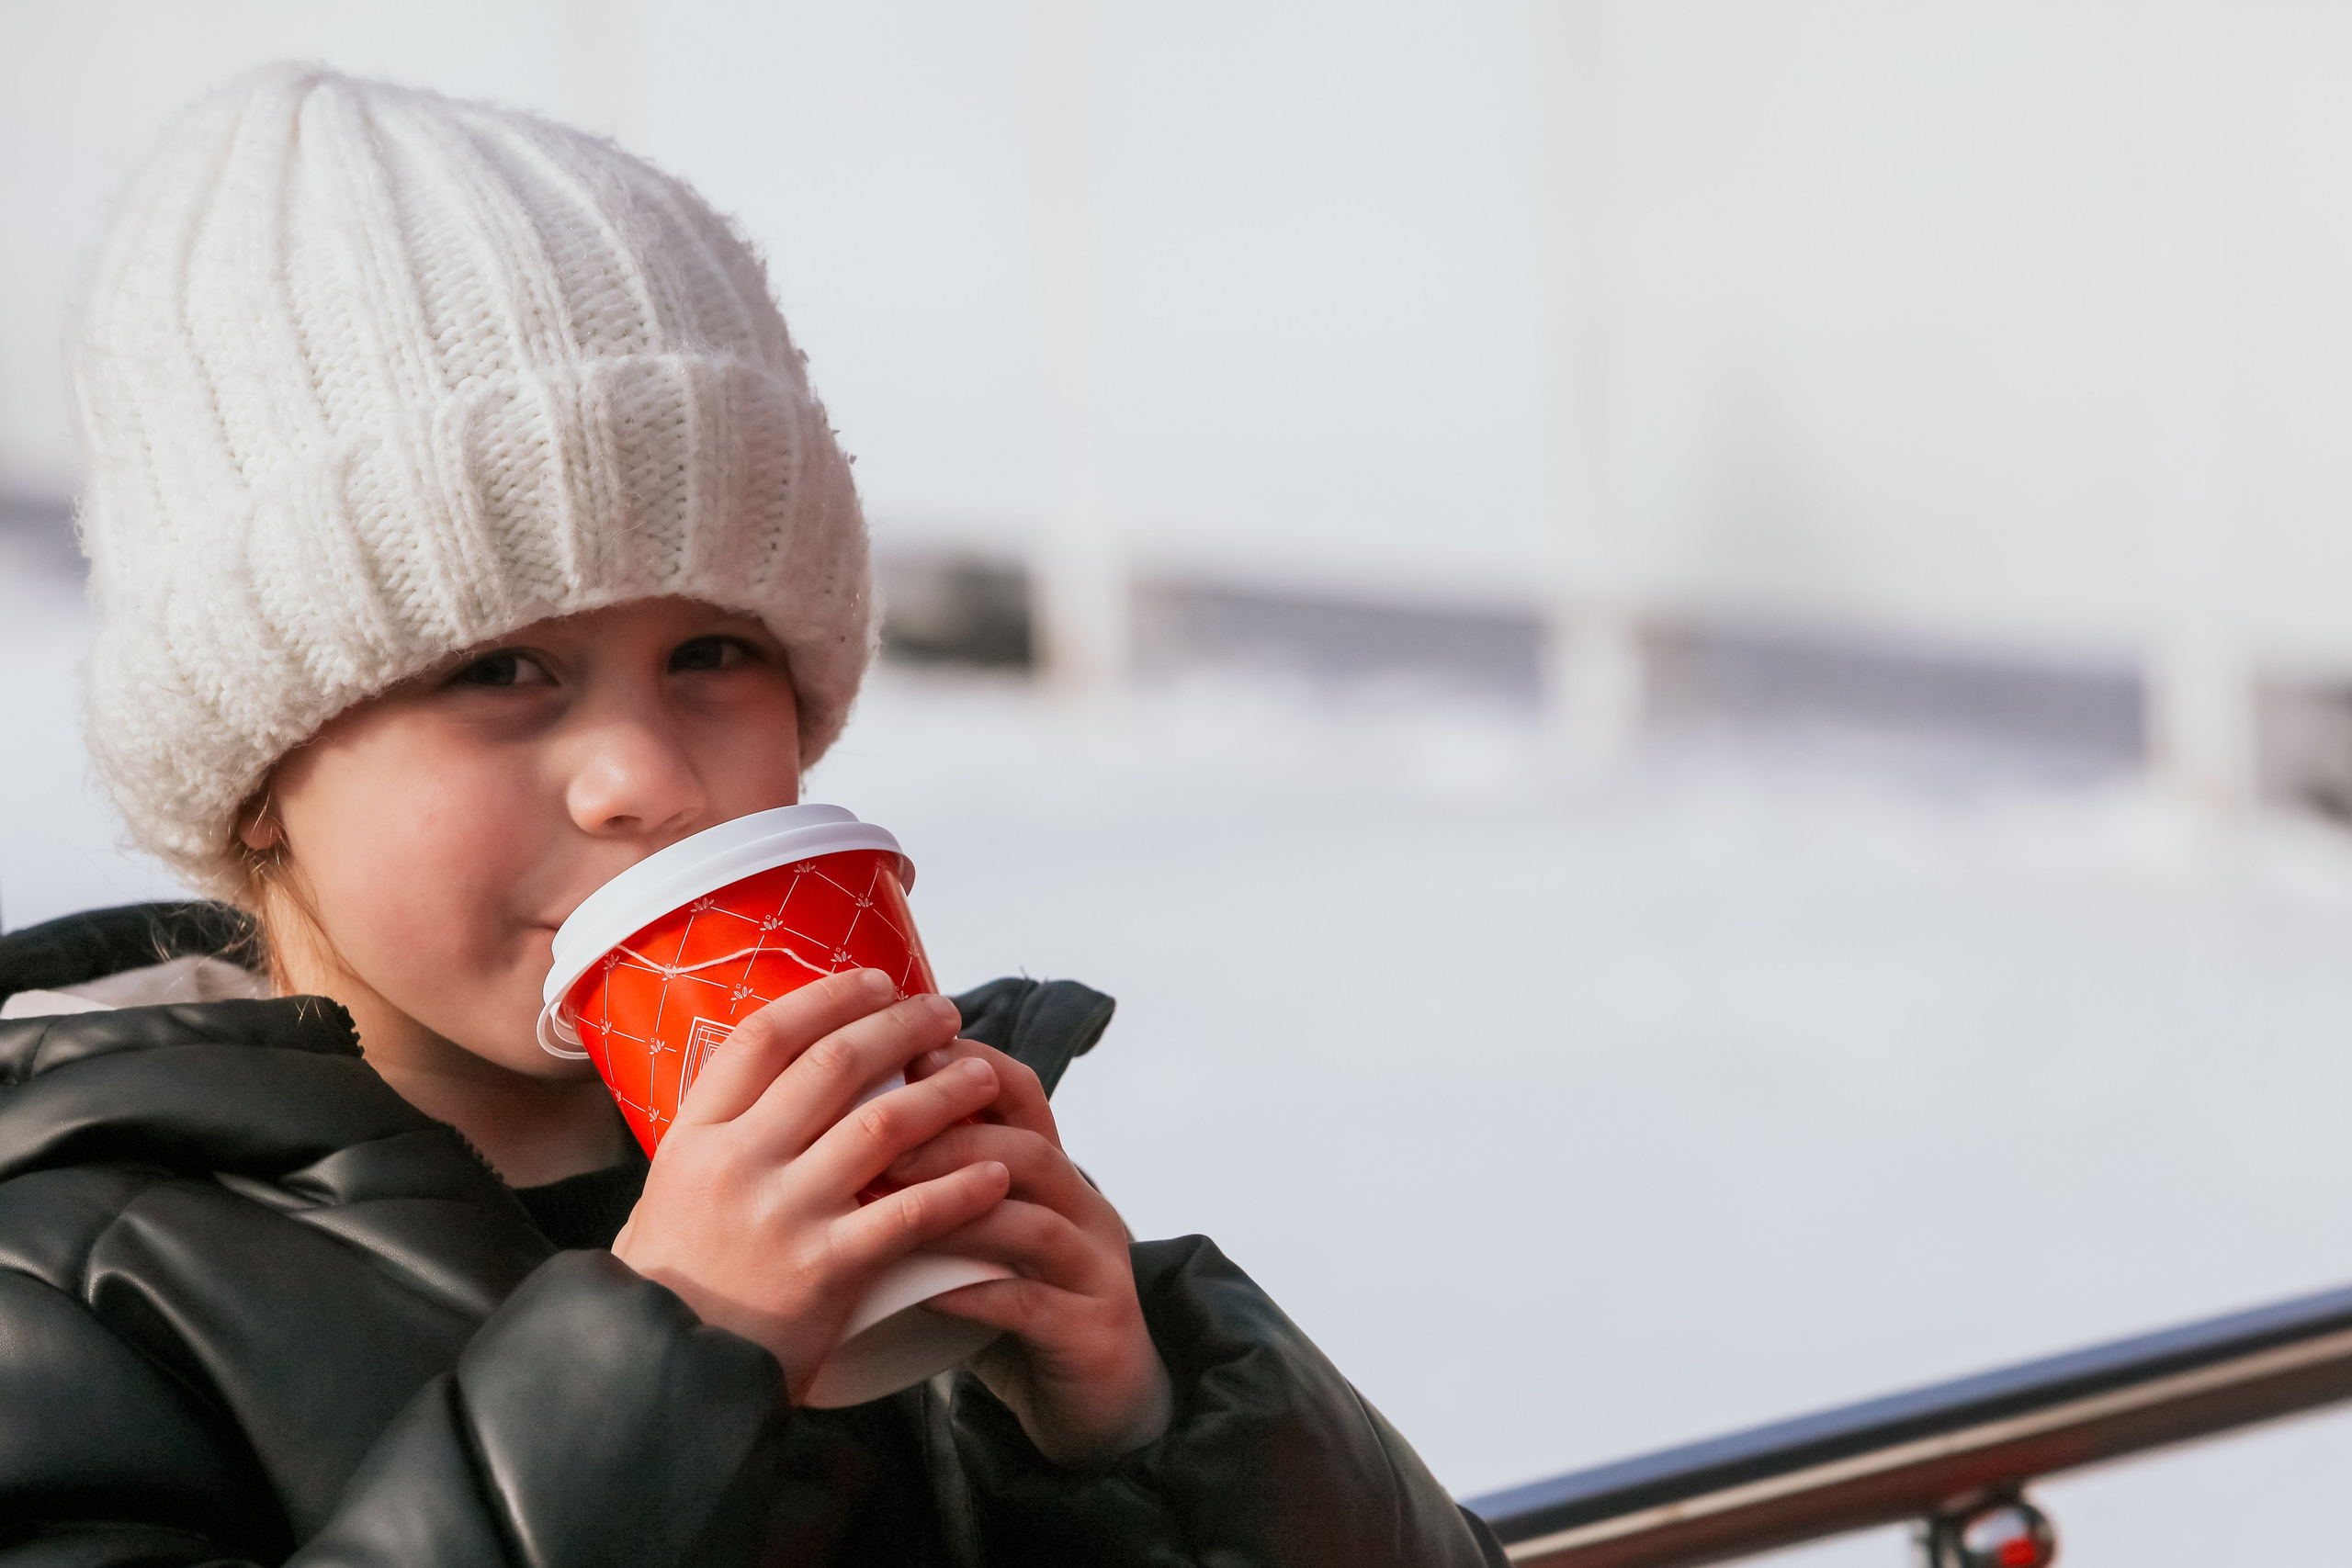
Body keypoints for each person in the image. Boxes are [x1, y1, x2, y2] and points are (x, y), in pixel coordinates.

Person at [0, 65, 1506, 1565]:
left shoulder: (894, 1163)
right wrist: (660, 1369)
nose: (643, 774)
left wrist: (1149, 1432)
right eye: (501, 669)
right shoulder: (63, 1279)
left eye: (711, 653)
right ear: (255, 776)